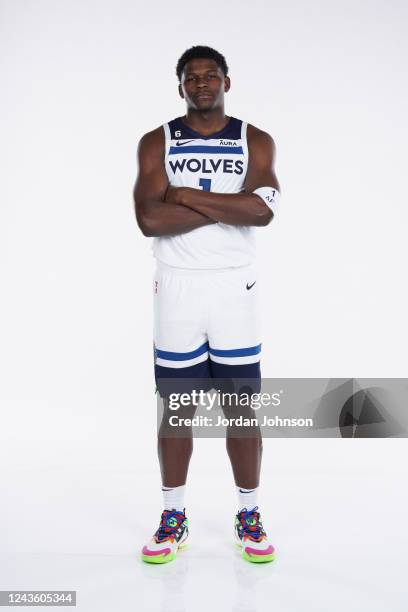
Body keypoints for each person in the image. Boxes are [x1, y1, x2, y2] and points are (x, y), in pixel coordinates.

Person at [133, 45, 281, 564]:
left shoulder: (253, 139)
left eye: (210, 75)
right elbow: (149, 221)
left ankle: (249, 512)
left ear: (227, 82)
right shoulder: (157, 142)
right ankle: (173, 515)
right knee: (176, 412)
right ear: (180, 87)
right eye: (192, 77)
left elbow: (261, 212)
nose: (202, 82)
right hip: (177, 290)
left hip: (234, 290)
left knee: (242, 412)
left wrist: (184, 195)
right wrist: (226, 207)